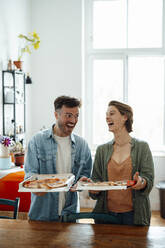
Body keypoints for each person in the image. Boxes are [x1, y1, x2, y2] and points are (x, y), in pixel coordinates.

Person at [25, 95, 92, 221]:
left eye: (76, 115)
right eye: (68, 115)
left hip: (70, 215)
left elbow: (85, 175)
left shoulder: (82, 145)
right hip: (42, 215)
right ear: (56, 115)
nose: (73, 120)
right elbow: (30, 175)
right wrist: (35, 188)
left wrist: (83, 182)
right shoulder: (37, 141)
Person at [89, 100, 154, 226]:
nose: (107, 117)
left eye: (112, 113)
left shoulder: (142, 147)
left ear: (125, 117)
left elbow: (149, 179)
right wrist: (92, 188)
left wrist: (141, 182)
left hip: (134, 215)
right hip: (106, 214)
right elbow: (96, 181)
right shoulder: (102, 150)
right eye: (106, 114)